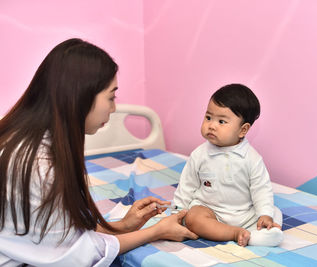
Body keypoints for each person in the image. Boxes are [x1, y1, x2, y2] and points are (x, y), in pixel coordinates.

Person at [0, 38, 198, 266]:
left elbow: (59, 228)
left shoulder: (23, 138)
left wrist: (121, 226)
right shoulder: (40, 166)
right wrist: (156, 232)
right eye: (111, 96)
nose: (114, 108)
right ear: (80, 97)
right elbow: (76, 254)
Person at [173, 84, 283, 247]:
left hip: (244, 214)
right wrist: (177, 212)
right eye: (208, 117)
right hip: (210, 212)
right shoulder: (199, 155)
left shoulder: (252, 159)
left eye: (221, 121)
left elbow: (261, 189)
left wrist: (265, 214)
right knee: (193, 218)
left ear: (243, 130)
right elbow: (187, 185)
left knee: (272, 211)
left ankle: (261, 232)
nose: (211, 125)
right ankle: (235, 234)